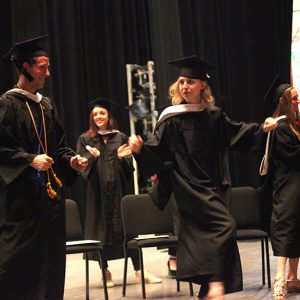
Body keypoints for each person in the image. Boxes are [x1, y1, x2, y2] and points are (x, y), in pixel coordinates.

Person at [129, 55, 277, 300]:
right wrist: (139, 149)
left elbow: (237, 133)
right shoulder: (171, 117)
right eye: (182, 82)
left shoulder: (213, 116)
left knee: (205, 237)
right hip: (187, 188)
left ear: (202, 86)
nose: (185, 86)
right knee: (225, 226)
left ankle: (206, 291)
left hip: (212, 186)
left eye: (190, 82)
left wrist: (262, 128)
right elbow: (158, 151)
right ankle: (216, 283)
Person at [0, 35, 88, 300]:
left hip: (49, 199)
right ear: (25, 67)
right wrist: (29, 159)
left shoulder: (46, 105)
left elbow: (58, 146)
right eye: (42, 67)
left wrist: (72, 159)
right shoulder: (6, 104)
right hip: (20, 202)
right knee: (17, 263)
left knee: (51, 262)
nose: (48, 73)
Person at [76, 97, 162, 287]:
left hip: (119, 193)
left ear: (108, 116)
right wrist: (92, 157)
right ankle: (104, 272)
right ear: (92, 117)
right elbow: (80, 169)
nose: (99, 116)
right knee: (100, 231)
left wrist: (122, 159)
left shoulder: (119, 137)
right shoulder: (85, 139)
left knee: (127, 230)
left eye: (102, 113)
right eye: (96, 113)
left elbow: (129, 170)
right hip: (97, 194)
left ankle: (140, 271)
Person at [262, 76, 300, 300]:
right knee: (285, 229)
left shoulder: (294, 124)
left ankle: (293, 278)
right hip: (287, 185)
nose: (297, 102)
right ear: (283, 101)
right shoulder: (280, 126)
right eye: (294, 99)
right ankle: (279, 279)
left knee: (297, 229)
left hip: (297, 184)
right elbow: (293, 155)